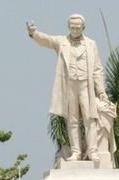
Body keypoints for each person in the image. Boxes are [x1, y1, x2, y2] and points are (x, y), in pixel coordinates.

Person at [26, 15, 110, 163]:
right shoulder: (62, 42)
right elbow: (47, 40)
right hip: (70, 85)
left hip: (86, 86)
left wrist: (101, 91)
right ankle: (76, 151)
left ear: (83, 27)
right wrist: (34, 33)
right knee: (72, 121)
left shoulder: (91, 44)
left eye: (78, 27)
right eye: (72, 27)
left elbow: (97, 69)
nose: (75, 29)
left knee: (90, 119)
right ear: (68, 27)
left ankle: (92, 151)